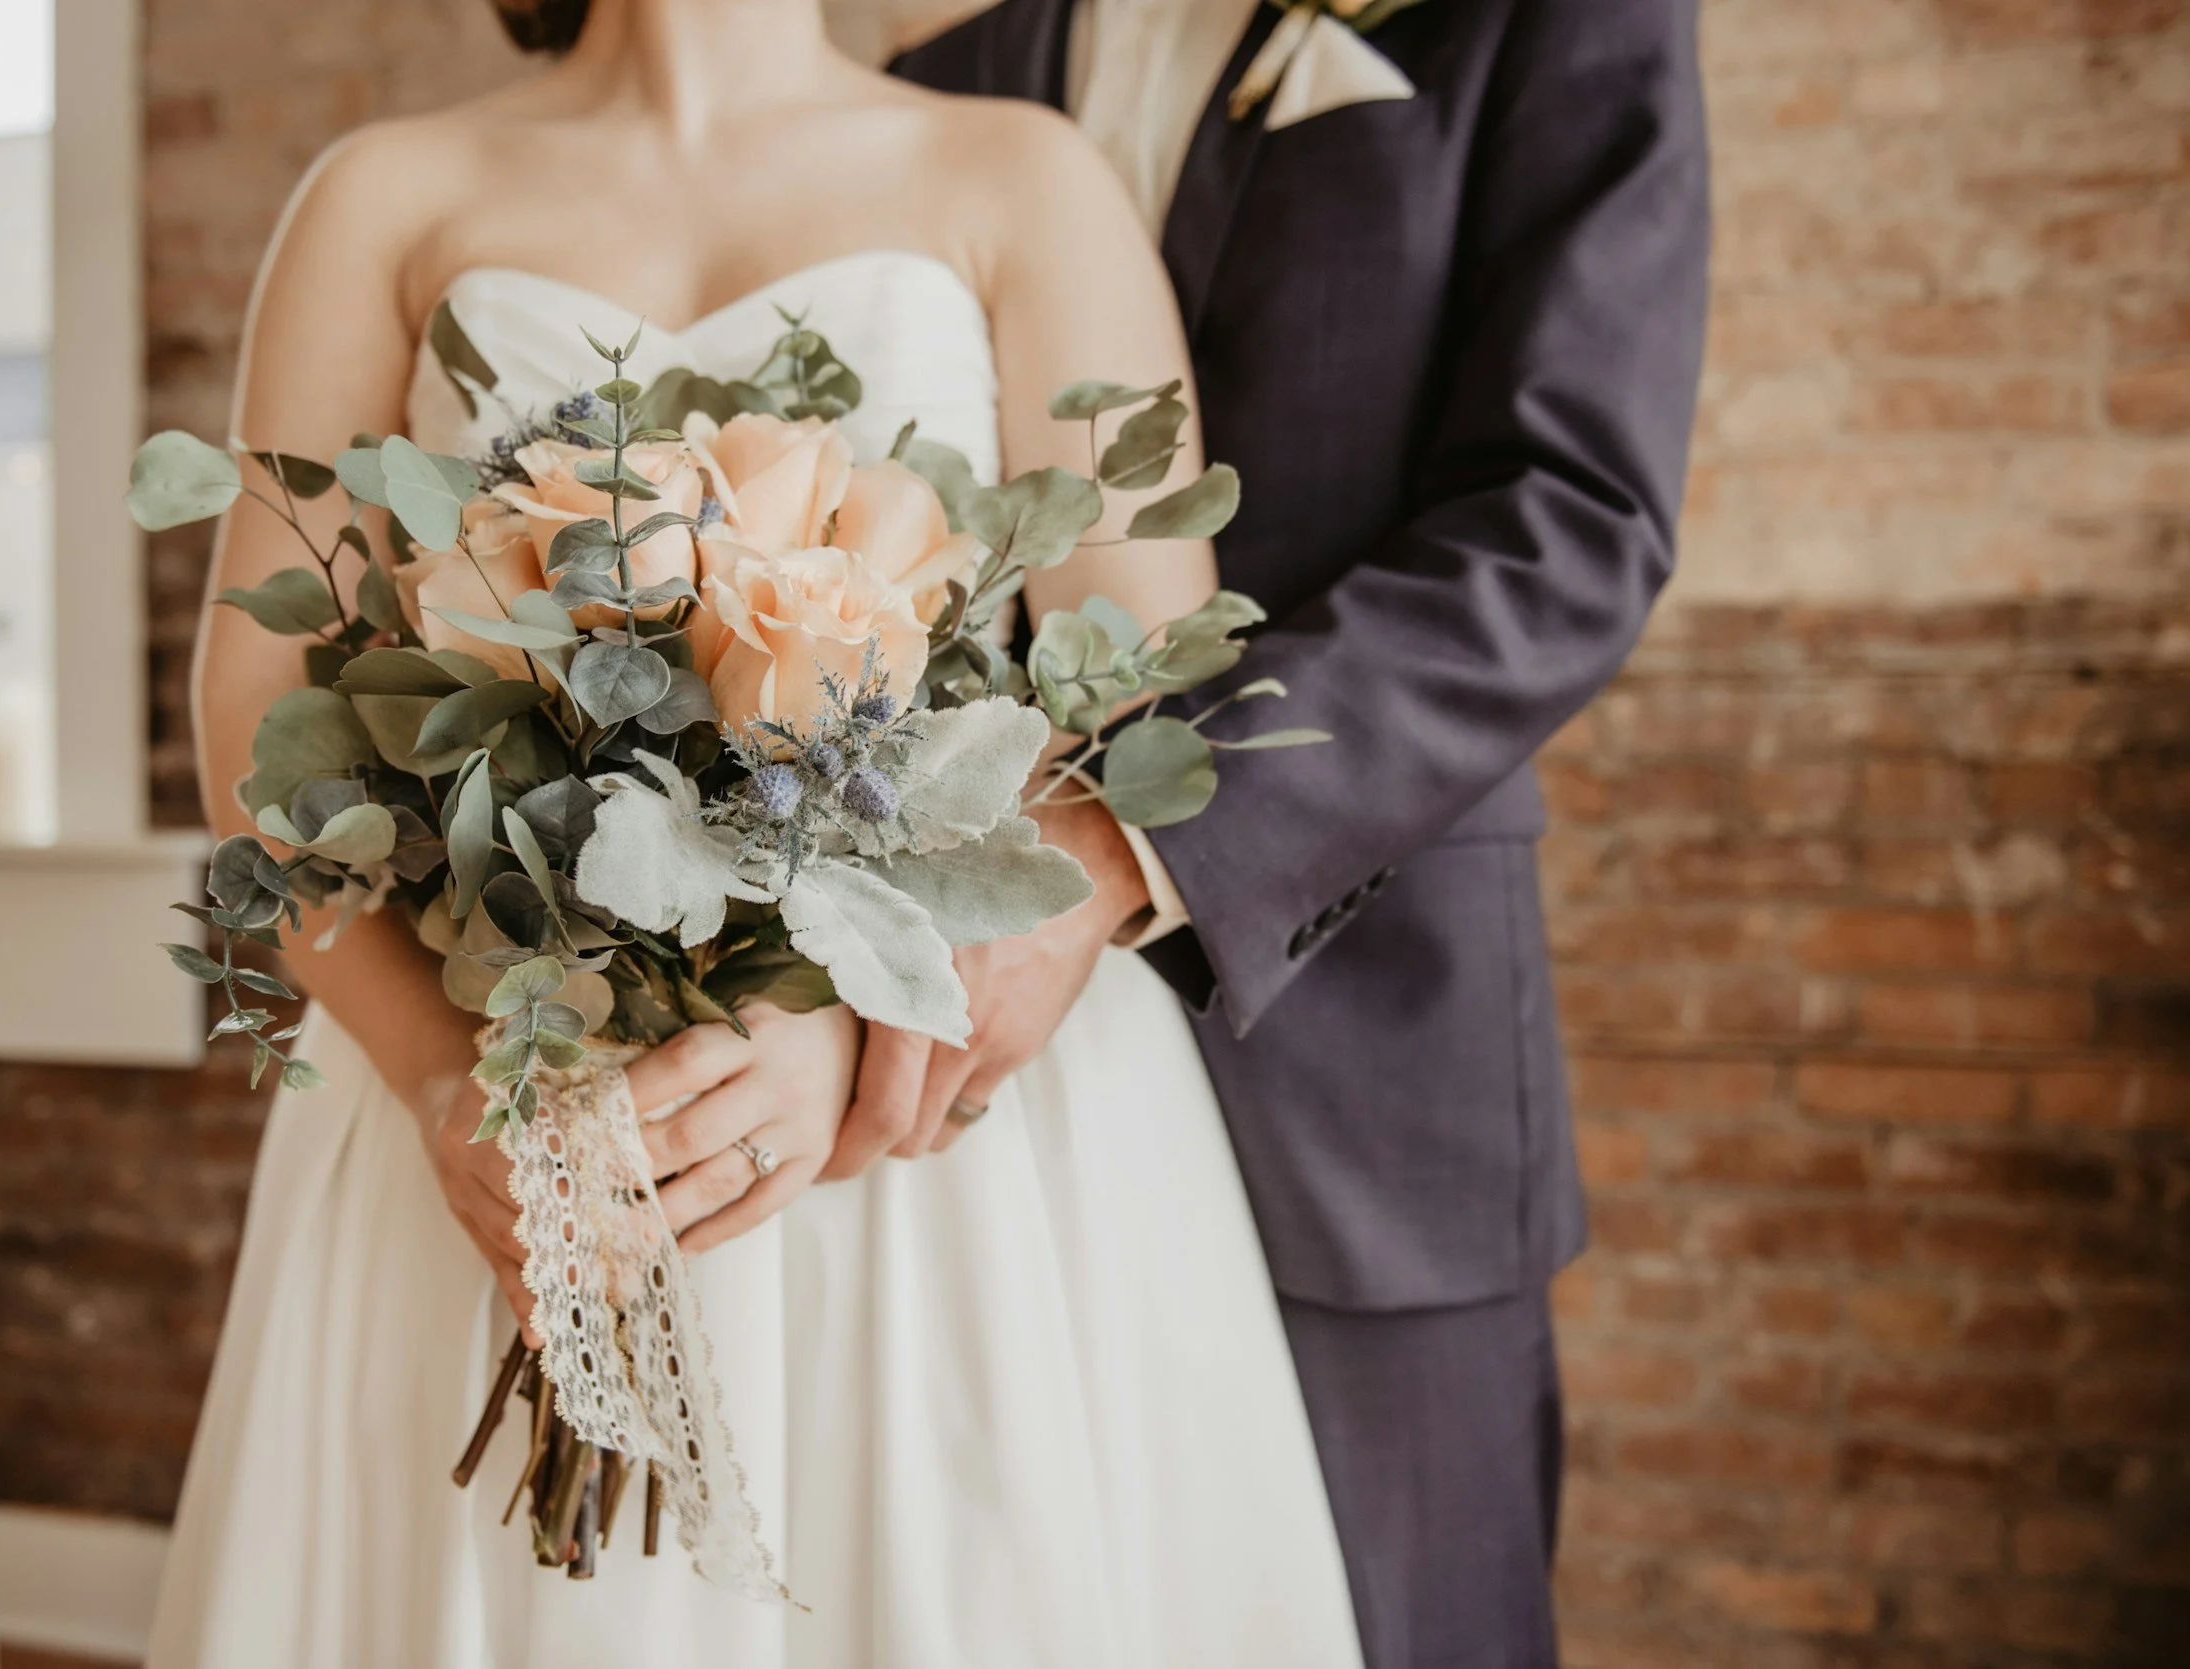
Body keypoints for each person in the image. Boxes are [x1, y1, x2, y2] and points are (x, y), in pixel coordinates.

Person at [146, 0, 1361, 1662]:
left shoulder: (1020, 177)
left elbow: (1139, 704)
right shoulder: (385, 194)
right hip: (513, 1090)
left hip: (927, 1142)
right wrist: (450, 1081)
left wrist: (839, 1009)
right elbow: (254, 723)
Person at [857, 2, 1712, 1663]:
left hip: (1360, 1057)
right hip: (956, 1123)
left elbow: (1570, 520)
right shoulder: (936, 75)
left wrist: (1118, 845)